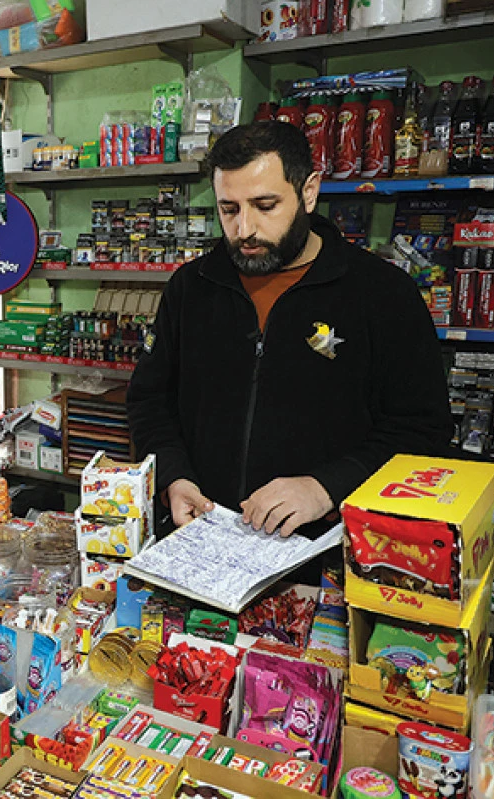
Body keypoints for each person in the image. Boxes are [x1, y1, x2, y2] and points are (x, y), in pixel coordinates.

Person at [128, 121, 452, 541]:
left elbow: (423, 429)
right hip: (201, 539)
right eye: (229, 209)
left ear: (309, 192)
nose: (244, 229)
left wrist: (327, 487)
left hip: (326, 548)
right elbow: (150, 401)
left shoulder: (382, 293)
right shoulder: (191, 288)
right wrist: (173, 475)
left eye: (265, 206)